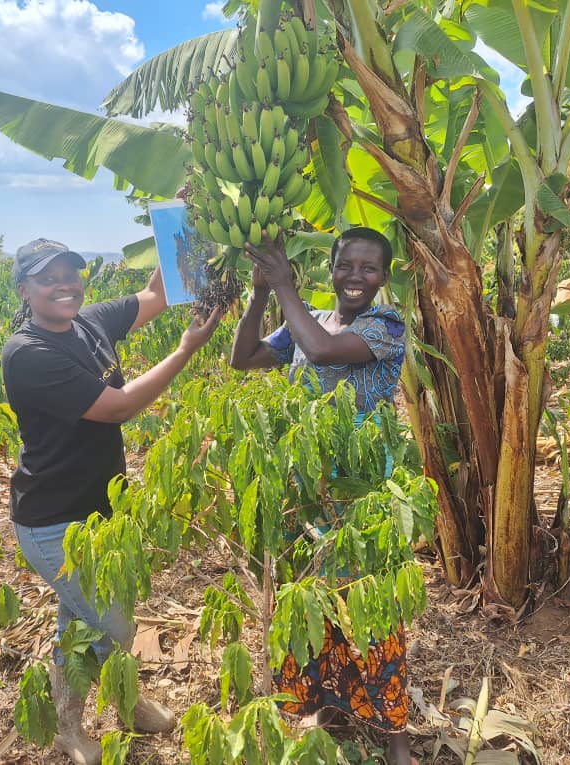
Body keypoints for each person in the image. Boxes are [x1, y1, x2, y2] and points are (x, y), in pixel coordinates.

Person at [1, 238, 221, 765]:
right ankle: (75, 722)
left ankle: (109, 703)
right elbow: (117, 407)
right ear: (25, 289)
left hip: (100, 512)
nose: (63, 284)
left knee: (77, 621)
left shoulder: (89, 322)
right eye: (47, 277)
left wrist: (179, 227)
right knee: (113, 625)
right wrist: (187, 349)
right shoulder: (28, 353)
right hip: (53, 521)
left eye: (70, 274)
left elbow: (156, 296)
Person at [229, 227, 416, 765]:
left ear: (383, 277)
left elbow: (323, 348)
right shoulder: (306, 316)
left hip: (360, 491)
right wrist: (263, 293)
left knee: (372, 601)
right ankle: (327, 703)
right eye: (346, 265)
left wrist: (286, 288)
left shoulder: (385, 326)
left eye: (369, 268)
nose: (356, 277)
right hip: (303, 485)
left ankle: (395, 733)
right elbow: (243, 360)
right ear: (330, 268)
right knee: (310, 595)